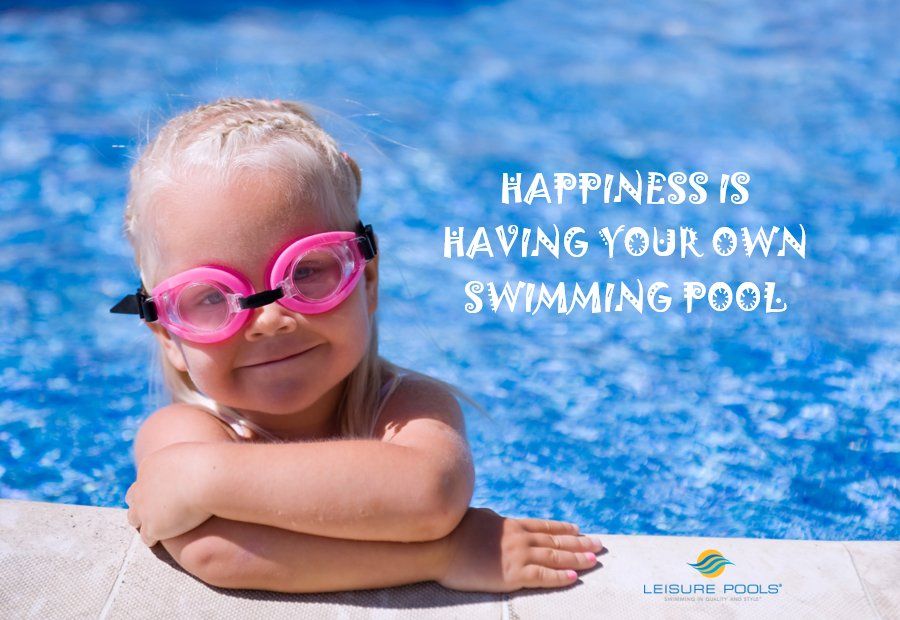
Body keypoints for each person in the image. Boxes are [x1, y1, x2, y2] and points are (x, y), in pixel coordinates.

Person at [115, 97, 603, 593]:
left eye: (305, 272)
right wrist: (444, 553)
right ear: (169, 333)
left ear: (366, 280)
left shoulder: (405, 404)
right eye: (211, 299)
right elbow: (216, 553)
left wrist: (205, 479)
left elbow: (429, 494)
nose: (269, 320)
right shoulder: (184, 431)